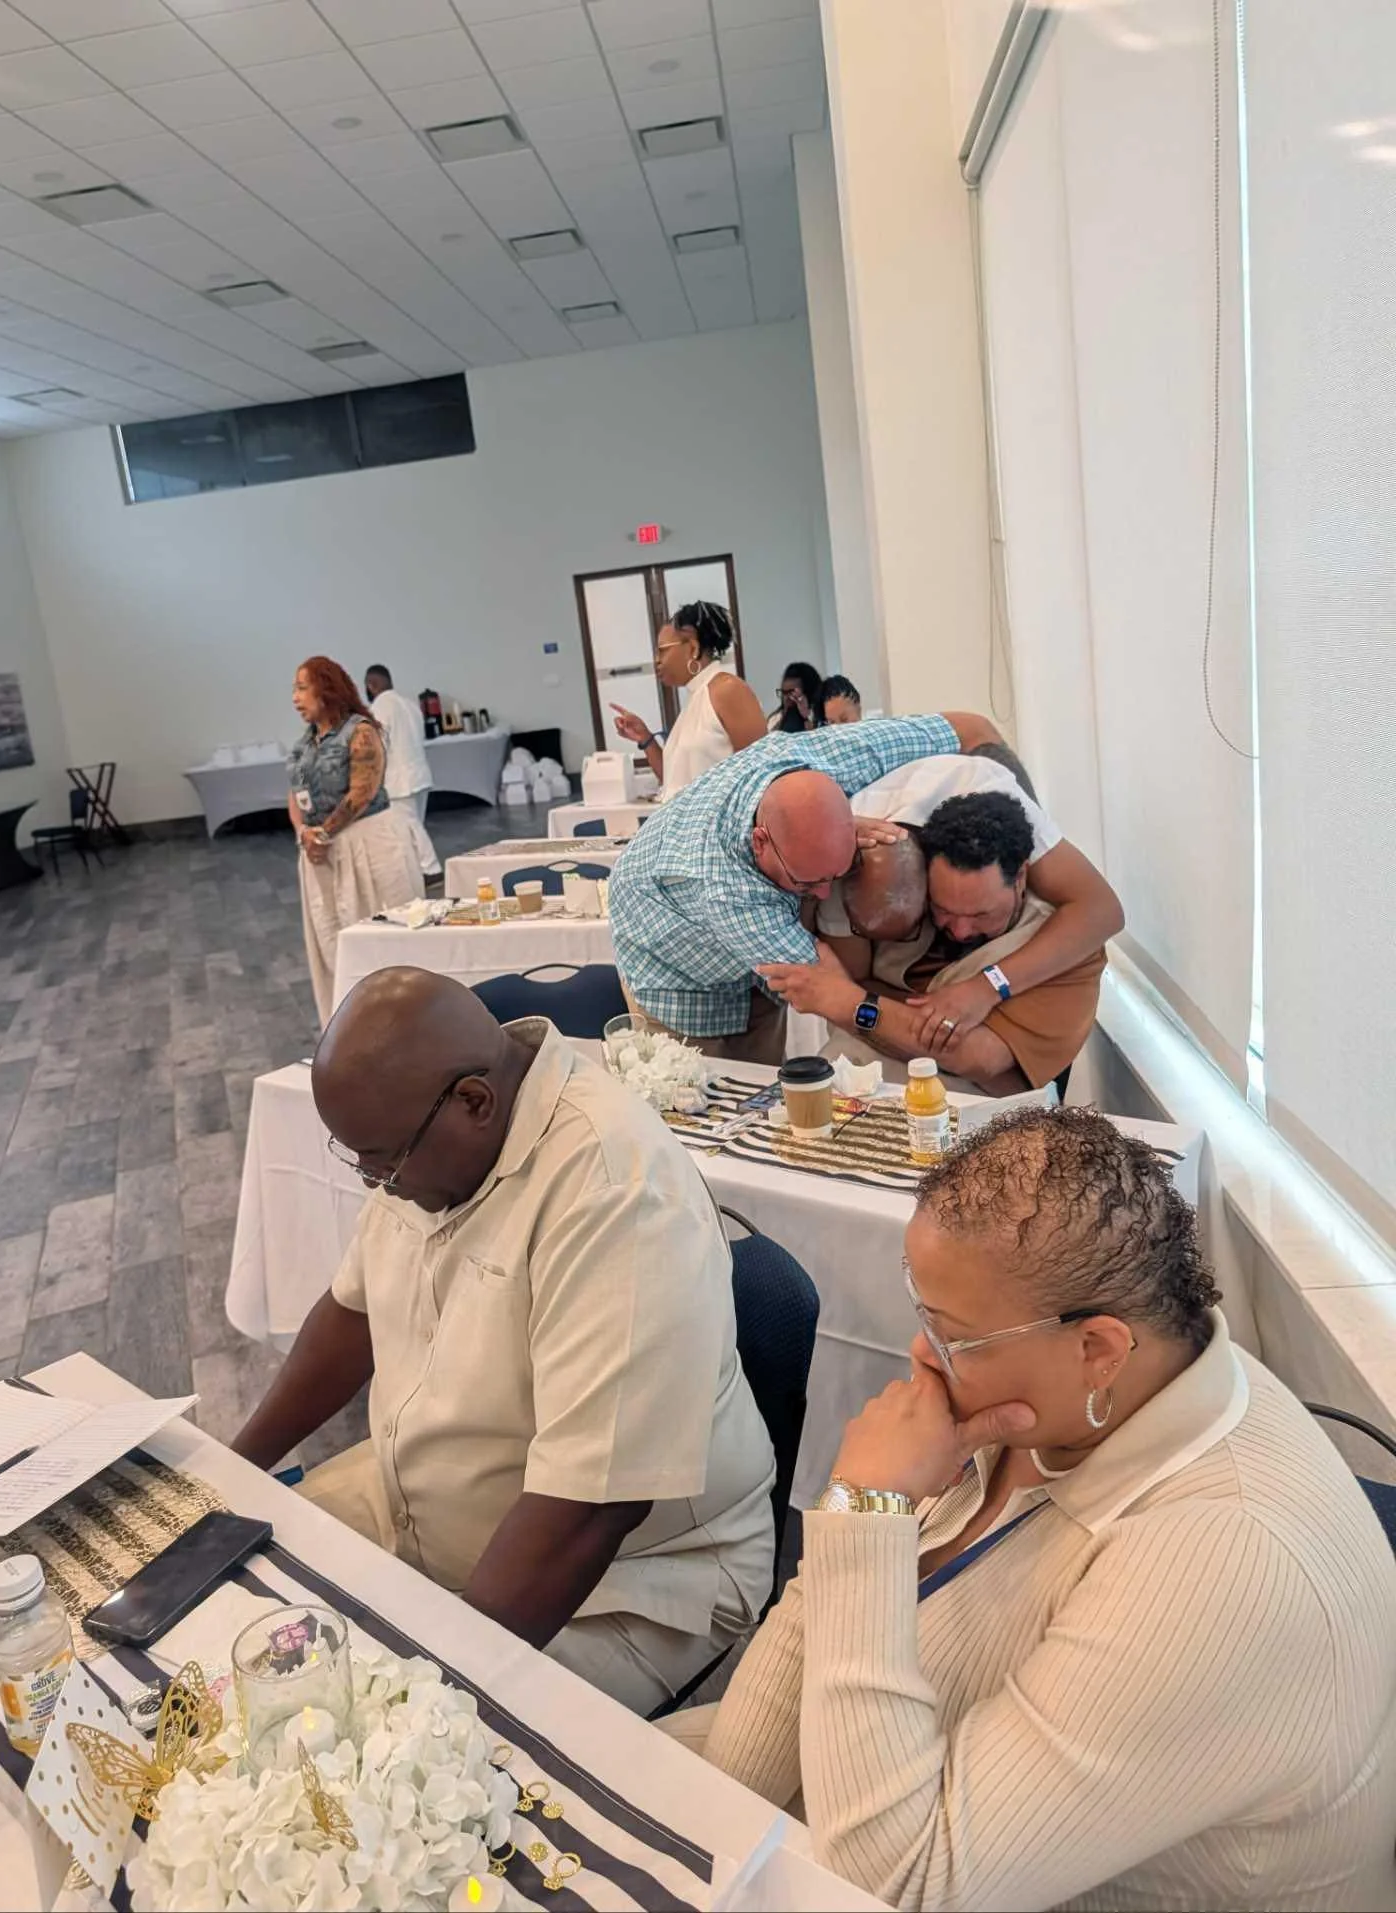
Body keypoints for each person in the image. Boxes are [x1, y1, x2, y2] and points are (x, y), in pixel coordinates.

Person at [670, 1107, 1396, 1910]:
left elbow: (901, 1886)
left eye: (951, 1335)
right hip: (882, 1792)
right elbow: (803, 1668)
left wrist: (864, 1513)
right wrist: (701, 1820)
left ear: (1099, 1348)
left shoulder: (1230, 1565)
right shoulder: (1062, 1401)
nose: (921, 1355)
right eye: (922, 1314)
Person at [232, 968, 776, 1716]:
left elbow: (591, 1508)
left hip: (630, 1581)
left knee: (371, 1748)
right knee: (233, 1602)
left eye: (381, 1162)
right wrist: (231, 1471)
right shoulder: (430, 1140)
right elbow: (351, 1312)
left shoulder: (618, 1193)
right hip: (425, 1509)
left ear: (475, 1103)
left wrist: (431, 1699)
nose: (372, 1182)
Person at [608, 713, 1006, 1063]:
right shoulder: (727, 890)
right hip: (670, 969)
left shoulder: (835, 754)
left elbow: (969, 728)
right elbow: (834, 996)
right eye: (807, 882)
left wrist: (1022, 840)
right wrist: (952, 1025)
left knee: (764, 1083)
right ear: (760, 841)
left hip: (741, 949)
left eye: (837, 873)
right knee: (700, 1113)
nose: (820, 896)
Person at [758, 756, 1123, 1092]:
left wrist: (851, 1005)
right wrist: (880, 1012)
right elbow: (851, 980)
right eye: (943, 909)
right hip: (850, 1090)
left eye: (981, 914)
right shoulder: (888, 879)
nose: (960, 930)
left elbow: (977, 1057)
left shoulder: (1067, 946)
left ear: (1022, 878)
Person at [287, 656, 422, 1026]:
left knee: (385, 937)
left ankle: (404, 1021)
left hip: (368, 845)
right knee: (334, 939)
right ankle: (350, 1027)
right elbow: (294, 793)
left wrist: (325, 832)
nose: (295, 698)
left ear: (326, 688)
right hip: (321, 854)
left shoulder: (361, 731)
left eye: (302, 688)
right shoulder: (303, 745)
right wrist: (305, 832)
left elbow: (363, 791)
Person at [608, 602, 766, 800]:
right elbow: (673, 781)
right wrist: (646, 738)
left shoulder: (727, 690)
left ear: (693, 647)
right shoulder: (696, 698)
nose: (657, 660)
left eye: (662, 651)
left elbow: (762, 773)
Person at [364, 664, 439, 881]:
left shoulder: (379, 708)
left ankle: (431, 869)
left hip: (399, 781)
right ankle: (417, 870)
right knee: (413, 825)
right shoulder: (410, 705)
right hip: (420, 774)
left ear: (372, 685)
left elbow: (378, 746)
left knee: (410, 826)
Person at [768, 661, 827, 733]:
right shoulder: (775, 718)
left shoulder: (825, 716)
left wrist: (806, 716)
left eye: (792, 692)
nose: (786, 698)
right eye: (784, 693)